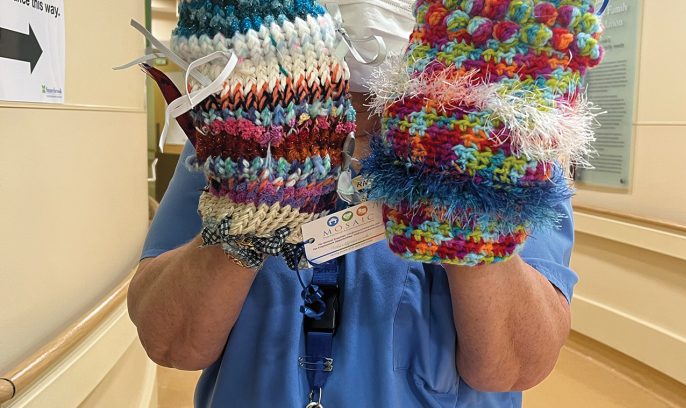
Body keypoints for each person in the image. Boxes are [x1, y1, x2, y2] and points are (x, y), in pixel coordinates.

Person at [128, 0, 601, 406]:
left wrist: (466, 187)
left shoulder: (511, 142)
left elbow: (514, 367)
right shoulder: (237, 130)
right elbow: (169, 343)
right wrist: (249, 212)